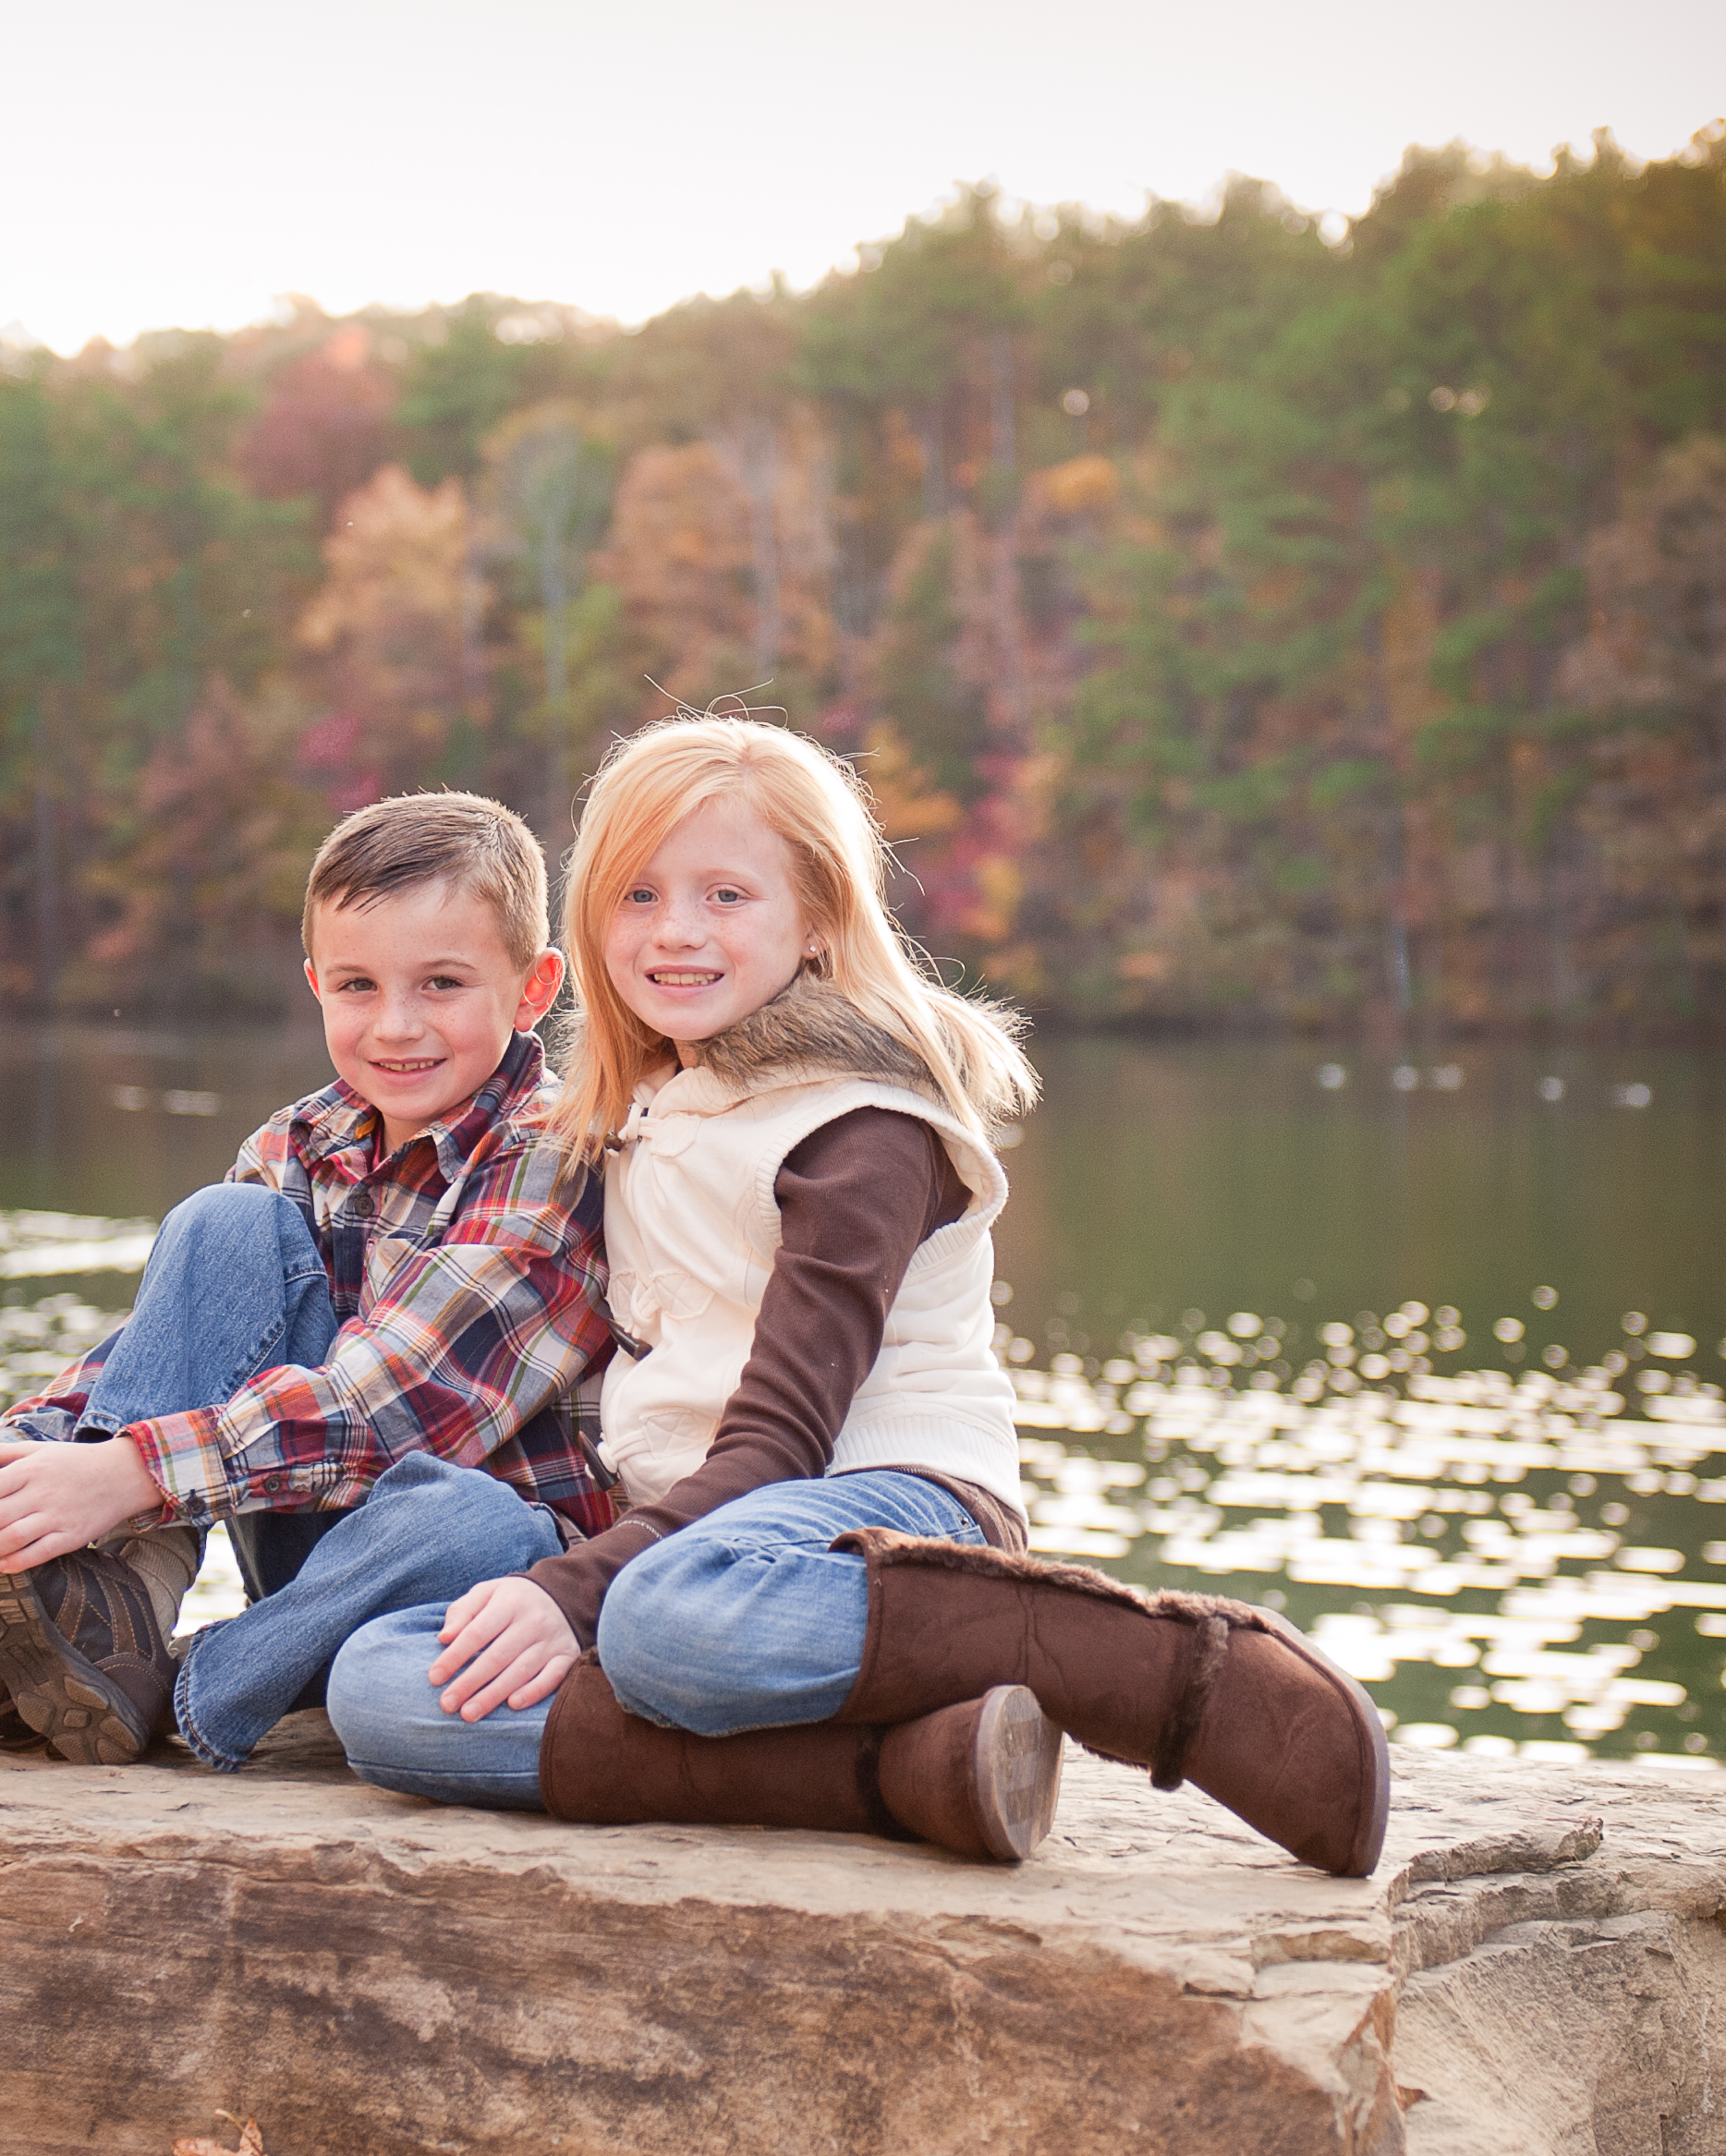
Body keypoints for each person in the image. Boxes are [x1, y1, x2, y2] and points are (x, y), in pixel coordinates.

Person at [321, 714, 1392, 1875]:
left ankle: (1157, 1668)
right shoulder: (655, 1102)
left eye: (727, 895)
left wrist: (571, 1590)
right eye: (636, 895)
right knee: (377, 1683)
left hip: (884, 1504)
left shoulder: (862, 1125)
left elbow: (782, 1441)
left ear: (820, 916)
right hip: (705, 1541)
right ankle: (903, 1772)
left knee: (659, 1622)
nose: (675, 931)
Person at [0, 792, 614, 1773]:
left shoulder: (555, 1153)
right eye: (356, 986)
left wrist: (127, 1475)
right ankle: (100, 1595)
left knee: (473, 1521)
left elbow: (399, 1415)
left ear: (533, 988)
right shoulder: (297, 1142)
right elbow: (162, 1350)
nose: (395, 1026)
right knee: (219, 1227)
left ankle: (175, 1684)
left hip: (456, 1568)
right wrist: (4, 1473)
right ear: (314, 986)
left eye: (441, 984)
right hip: (309, 1542)